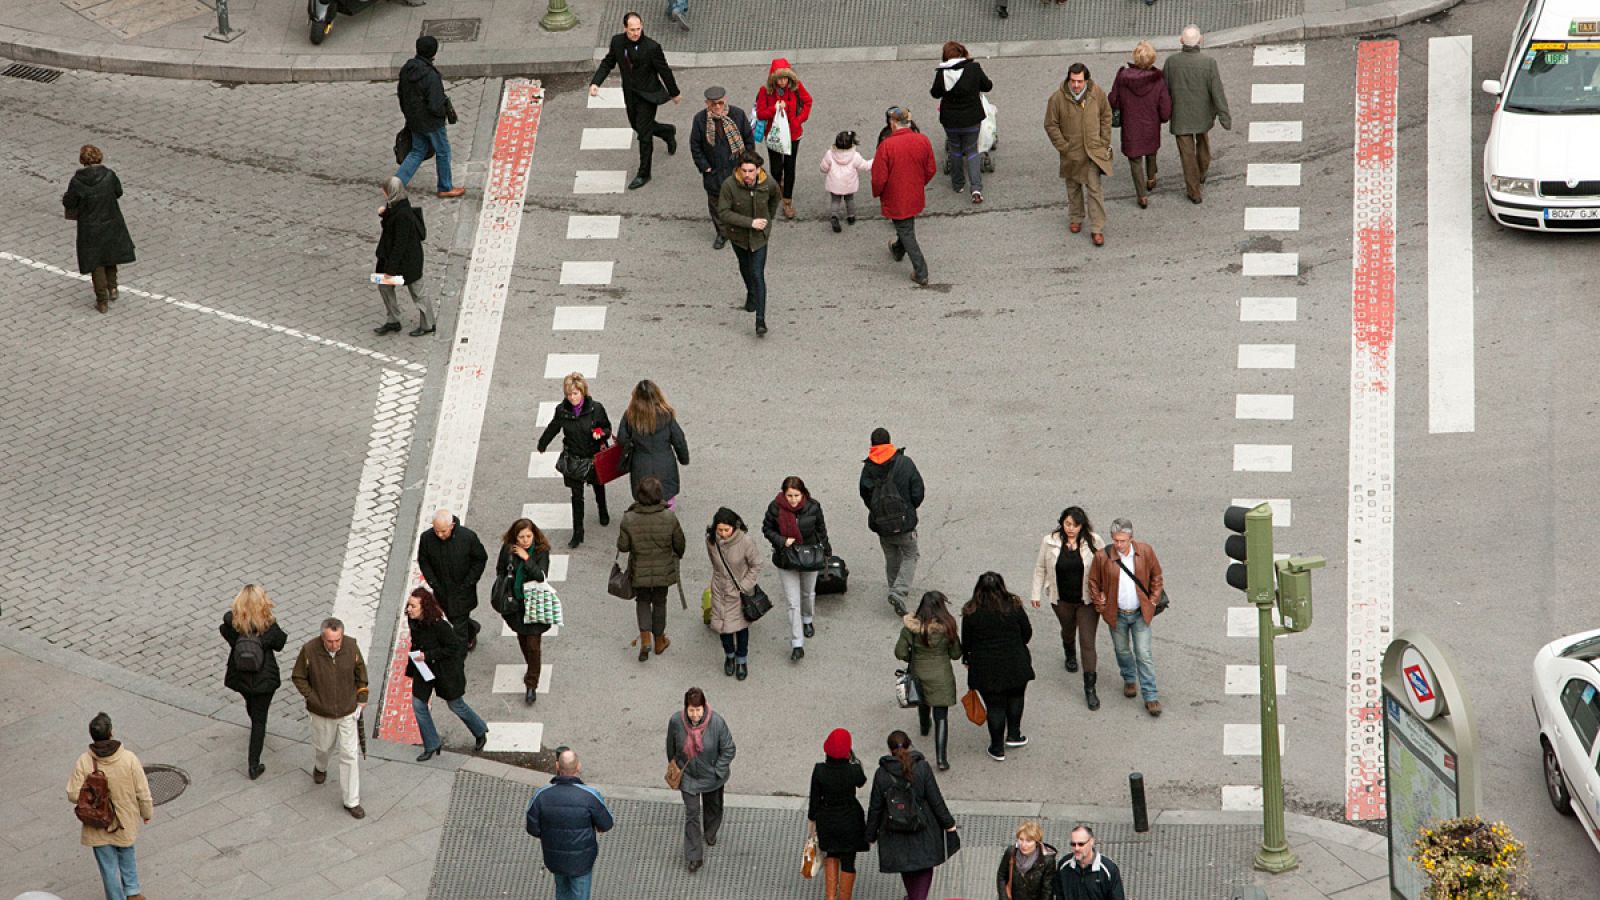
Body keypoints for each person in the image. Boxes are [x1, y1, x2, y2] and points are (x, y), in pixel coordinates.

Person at [589, 12, 681, 191]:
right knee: (637, 126)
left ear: (642, 26)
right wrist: (596, 82)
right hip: (630, 94)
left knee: (644, 136)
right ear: (625, 28)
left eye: (638, 29)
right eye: (632, 30)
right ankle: (667, 131)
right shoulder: (617, 42)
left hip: (648, 94)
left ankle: (644, 173)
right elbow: (608, 63)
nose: (635, 33)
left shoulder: (652, 47)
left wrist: (674, 92)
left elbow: (664, 71)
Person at [67, 712, 153, 900]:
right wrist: (146, 812)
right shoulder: (128, 758)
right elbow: (142, 791)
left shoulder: (84, 761)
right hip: (124, 820)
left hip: (97, 823)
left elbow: (73, 794)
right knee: (127, 854)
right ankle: (132, 892)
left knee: (108, 867)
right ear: (111, 732)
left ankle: (116, 898)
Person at [290, 617, 369, 818]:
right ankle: (320, 766)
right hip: (321, 712)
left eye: (337, 640)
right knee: (323, 746)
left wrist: (362, 697)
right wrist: (312, 698)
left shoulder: (351, 646)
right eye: (330, 641)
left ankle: (352, 801)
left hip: (348, 710)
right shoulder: (309, 650)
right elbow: (298, 676)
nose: (334, 645)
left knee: (350, 755)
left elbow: (361, 673)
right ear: (322, 638)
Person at [865, 730, 956, 900]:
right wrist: (949, 824)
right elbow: (935, 799)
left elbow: (875, 807)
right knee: (924, 867)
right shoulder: (921, 767)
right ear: (909, 745)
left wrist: (870, 835)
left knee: (906, 868)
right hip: (923, 828)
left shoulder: (882, 773)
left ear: (890, 749)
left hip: (895, 831)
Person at [1087, 517, 1165, 716]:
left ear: (1131, 538)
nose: (1119, 545)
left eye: (1123, 540)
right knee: (1122, 651)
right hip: (1117, 614)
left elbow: (1156, 576)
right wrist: (1101, 604)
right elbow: (1093, 582)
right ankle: (1129, 678)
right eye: (1115, 540)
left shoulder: (1145, 552)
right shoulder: (1102, 557)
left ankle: (1150, 695)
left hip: (1140, 613)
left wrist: (1153, 600)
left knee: (1144, 654)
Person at [1029, 506, 1104, 710]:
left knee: (1087, 642)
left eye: (1075, 525)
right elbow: (1040, 568)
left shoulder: (1094, 541)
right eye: (1067, 524)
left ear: (1082, 526)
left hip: (1087, 602)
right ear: (1062, 523)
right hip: (1061, 599)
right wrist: (1036, 594)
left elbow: (1105, 567)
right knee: (1068, 630)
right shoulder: (1050, 541)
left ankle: (1090, 689)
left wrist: (1105, 593)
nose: (1071, 529)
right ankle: (1069, 652)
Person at [406, 587, 489, 760]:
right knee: (418, 705)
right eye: (409, 605)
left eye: (413, 606)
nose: (409, 609)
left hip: (445, 671)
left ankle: (479, 730)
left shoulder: (439, 625)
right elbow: (416, 642)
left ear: (424, 607)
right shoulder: (413, 621)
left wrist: (428, 655)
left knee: (456, 705)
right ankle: (432, 744)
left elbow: (453, 647)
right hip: (424, 669)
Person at [961, 572, 1035, 762]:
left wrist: (969, 659)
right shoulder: (1014, 606)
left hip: (986, 667)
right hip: (1015, 662)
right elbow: (1026, 632)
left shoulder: (971, 611)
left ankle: (997, 747)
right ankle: (1014, 735)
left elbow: (967, 642)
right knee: (1016, 697)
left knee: (995, 706)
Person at [220, 584, 289, 780]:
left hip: (240, 677)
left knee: (251, 704)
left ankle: (254, 718)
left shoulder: (233, 627)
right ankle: (253, 765)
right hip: (264, 679)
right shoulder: (268, 627)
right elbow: (281, 643)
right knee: (260, 721)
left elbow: (223, 628)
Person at [536, 372, 613, 548]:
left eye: (575, 393)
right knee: (576, 496)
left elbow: (607, 428)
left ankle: (603, 510)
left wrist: (600, 433)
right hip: (573, 458)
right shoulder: (562, 411)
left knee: (598, 485)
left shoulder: (596, 409)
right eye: (569, 394)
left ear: (583, 392)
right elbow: (554, 427)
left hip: (593, 457)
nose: (572, 398)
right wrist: (543, 443)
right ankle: (578, 533)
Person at [527, 747, 614, 900]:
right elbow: (606, 823)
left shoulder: (542, 795)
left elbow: (532, 827)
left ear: (557, 766)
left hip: (555, 858)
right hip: (582, 860)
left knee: (562, 891)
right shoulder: (589, 796)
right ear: (578, 767)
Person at [666, 687, 736, 873]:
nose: (695, 715)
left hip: (711, 777)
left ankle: (711, 832)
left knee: (713, 807)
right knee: (692, 814)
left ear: (704, 708)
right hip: (688, 777)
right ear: (685, 709)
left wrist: (717, 771)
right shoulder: (675, 721)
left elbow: (729, 749)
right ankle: (694, 856)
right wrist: (676, 767)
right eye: (691, 710)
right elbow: (670, 747)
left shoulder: (717, 723)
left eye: (698, 710)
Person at [762, 476, 831, 661]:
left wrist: (826, 552)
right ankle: (797, 643)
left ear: (803, 493)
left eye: (796, 495)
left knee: (808, 594)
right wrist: (782, 541)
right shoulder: (775, 508)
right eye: (789, 495)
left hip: (809, 557)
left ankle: (808, 619)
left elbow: (821, 530)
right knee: (793, 603)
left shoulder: (813, 507)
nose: (793, 499)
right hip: (787, 559)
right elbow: (767, 529)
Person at [1044, 62, 1114, 247]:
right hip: (1071, 153)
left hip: (1093, 152)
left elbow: (1106, 115)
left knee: (1094, 189)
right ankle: (1076, 217)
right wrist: (1064, 147)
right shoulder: (1057, 98)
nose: (1076, 85)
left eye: (1079, 81)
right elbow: (1051, 125)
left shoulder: (1097, 94)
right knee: (1073, 186)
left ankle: (1097, 228)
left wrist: (1104, 141)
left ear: (1086, 80)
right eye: (1073, 81)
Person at [859, 427, 926, 616]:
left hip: (882, 526)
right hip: (905, 523)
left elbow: (865, 495)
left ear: (872, 445)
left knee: (892, 557)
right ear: (890, 442)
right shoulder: (905, 463)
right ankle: (899, 592)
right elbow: (918, 492)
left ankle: (894, 593)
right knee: (911, 554)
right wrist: (910, 508)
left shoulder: (868, 469)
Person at [619, 475, 686, 662]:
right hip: (663, 569)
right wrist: (677, 555)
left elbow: (623, 546)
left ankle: (645, 638)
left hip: (639, 568)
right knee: (659, 602)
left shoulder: (629, 518)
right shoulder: (668, 517)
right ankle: (659, 640)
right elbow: (679, 543)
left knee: (642, 601)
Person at [1163, 25, 1232, 204]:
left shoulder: (1171, 62)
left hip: (1180, 115)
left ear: (1181, 41)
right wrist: (1224, 115)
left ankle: (1194, 191)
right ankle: (1202, 171)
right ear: (1200, 41)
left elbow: (1165, 89)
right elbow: (1217, 91)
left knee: (1187, 155)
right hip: (1202, 114)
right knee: (1203, 143)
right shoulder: (1208, 63)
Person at [62, 144, 135, 314]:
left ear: (83, 161)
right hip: (111, 221)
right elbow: (118, 192)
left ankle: (102, 301)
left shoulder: (77, 181)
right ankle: (113, 287)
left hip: (90, 227)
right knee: (110, 255)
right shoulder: (109, 176)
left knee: (96, 262)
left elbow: (70, 202)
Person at [894, 591, 961, 771]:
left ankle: (924, 726)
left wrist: (912, 658)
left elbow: (899, 652)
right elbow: (956, 654)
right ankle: (941, 758)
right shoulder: (948, 627)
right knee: (941, 715)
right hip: (941, 674)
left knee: (923, 700)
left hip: (918, 671)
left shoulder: (911, 628)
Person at [871, 107, 937, 286]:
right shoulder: (922, 140)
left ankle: (921, 271)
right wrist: (918, 184)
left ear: (893, 124)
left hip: (896, 195)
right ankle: (898, 249)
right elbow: (931, 169)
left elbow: (878, 178)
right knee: (906, 225)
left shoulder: (886, 146)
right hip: (914, 193)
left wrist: (878, 192)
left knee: (906, 230)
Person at [717, 152, 780, 336]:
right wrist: (750, 223)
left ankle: (760, 320)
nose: (747, 175)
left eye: (751, 171)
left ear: (758, 170)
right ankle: (750, 293)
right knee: (745, 267)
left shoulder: (768, 184)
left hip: (759, 238)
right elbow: (724, 212)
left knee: (757, 273)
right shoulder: (729, 186)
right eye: (744, 170)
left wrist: (767, 220)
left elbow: (775, 199)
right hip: (739, 237)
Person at [395, 36, 465, 199]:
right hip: (432, 122)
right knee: (443, 151)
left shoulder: (407, 69)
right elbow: (435, 104)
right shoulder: (431, 76)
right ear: (433, 52)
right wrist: (443, 114)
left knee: (417, 151)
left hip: (414, 120)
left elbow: (401, 94)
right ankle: (445, 187)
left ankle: (395, 186)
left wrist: (409, 115)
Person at [1108, 42, 1173, 210]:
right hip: (1151, 125)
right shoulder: (1158, 80)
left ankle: (1141, 195)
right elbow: (1165, 109)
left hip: (1131, 126)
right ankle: (1151, 178)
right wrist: (1163, 118)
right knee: (1151, 151)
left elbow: (1112, 100)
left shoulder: (1123, 78)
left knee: (1135, 161)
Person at [690, 86, 754, 250]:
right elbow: (695, 146)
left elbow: (748, 140)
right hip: (714, 172)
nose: (717, 107)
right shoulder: (700, 120)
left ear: (725, 100)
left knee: (741, 202)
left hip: (736, 170)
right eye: (713, 104)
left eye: (720, 103)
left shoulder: (737, 115)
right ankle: (722, 233)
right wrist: (705, 168)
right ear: (707, 104)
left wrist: (746, 165)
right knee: (716, 205)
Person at [497, 517, 553, 705]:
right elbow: (500, 570)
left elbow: (541, 575)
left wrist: (526, 558)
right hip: (516, 605)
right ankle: (532, 667)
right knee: (523, 639)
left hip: (534, 603)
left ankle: (531, 683)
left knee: (533, 645)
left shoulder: (541, 551)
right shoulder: (507, 550)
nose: (525, 540)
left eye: (528, 536)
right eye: (521, 537)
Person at [930, 42, 993, 203]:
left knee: (955, 150)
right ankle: (976, 189)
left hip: (950, 121)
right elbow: (987, 86)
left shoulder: (942, 73)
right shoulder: (973, 68)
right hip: (972, 119)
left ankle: (958, 184)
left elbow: (935, 93)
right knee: (972, 151)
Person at [418, 509, 490, 650]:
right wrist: (433, 582)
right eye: (436, 530)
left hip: (463, 590)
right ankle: (472, 629)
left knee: (459, 625)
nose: (439, 534)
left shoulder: (467, 537)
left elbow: (480, 559)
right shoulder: (427, 538)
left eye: (443, 531)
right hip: (441, 590)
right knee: (452, 617)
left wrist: (469, 581)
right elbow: (424, 561)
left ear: (452, 526)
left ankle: (459, 655)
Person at [808, 728, 867, 900]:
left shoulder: (819, 770)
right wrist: (854, 761)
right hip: (850, 819)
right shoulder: (853, 771)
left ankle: (830, 897)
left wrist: (813, 821)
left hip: (827, 819)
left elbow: (814, 800)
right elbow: (862, 781)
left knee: (831, 854)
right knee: (848, 860)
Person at [372, 176, 434, 337]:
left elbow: (400, 244)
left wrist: (390, 270)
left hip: (407, 261)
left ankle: (428, 324)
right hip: (392, 258)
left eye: (385, 191)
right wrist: (384, 214)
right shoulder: (395, 205)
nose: (383, 194)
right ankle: (393, 320)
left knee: (417, 292)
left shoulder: (403, 215)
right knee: (384, 286)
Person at [706, 507, 762, 680]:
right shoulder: (711, 541)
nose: (723, 533)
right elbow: (715, 564)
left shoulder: (745, 541)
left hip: (739, 592)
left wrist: (744, 586)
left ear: (734, 527)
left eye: (726, 530)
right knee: (723, 628)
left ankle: (741, 660)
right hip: (719, 590)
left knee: (741, 628)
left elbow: (756, 565)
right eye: (720, 529)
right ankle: (729, 655)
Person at [753, 58, 813, 220]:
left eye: (785, 78)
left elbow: (808, 102)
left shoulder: (796, 87)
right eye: (779, 78)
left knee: (790, 167)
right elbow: (760, 113)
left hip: (793, 135)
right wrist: (775, 108)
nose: (782, 82)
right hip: (774, 135)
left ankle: (787, 201)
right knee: (776, 168)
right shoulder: (765, 91)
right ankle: (778, 182)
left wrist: (799, 119)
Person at [615, 379, 690, 504]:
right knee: (666, 499)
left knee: (643, 499)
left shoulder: (630, 416)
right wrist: (684, 459)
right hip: (665, 466)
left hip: (640, 466)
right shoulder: (667, 415)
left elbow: (622, 440)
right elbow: (679, 440)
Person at [1053, 824, 1126, 900]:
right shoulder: (1064, 866)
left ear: (1091, 842)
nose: (1076, 848)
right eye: (1073, 844)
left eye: (1081, 844)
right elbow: (1059, 893)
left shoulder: (1109, 870)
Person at [819, 130, 872, 233]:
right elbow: (865, 166)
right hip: (849, 184)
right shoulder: (855, 156)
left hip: (834, 184)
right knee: (849, 200)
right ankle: (851, 217)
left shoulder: (830, 154)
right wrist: (875, 160)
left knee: (835, 201)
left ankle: (834, 216)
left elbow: (823, 168)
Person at [996, 820, 1058, 900]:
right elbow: (1001, 875)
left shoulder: (1047, 860)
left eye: (1028, 841)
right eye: (1021, 839)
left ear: (1037, 842)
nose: (1023, 844)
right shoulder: (1011, 852)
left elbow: (1047, 890)